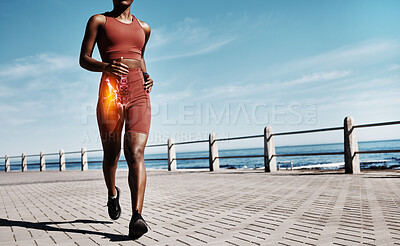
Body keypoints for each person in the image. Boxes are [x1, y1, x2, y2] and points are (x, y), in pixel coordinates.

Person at [79, 0, 153, 239]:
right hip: (110, 91)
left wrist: (146, 75)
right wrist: (106, 67)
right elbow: (84, 58)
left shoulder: (143, 28)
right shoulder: (99, 21)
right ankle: (112, 194)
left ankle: (137, 216)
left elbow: (140, 58)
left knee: (135, 152)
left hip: (139, 92)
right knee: (112, 153)